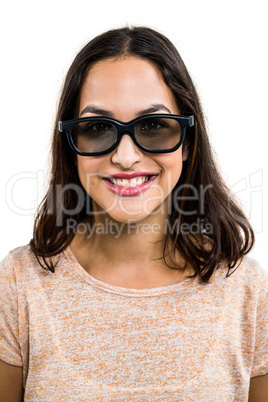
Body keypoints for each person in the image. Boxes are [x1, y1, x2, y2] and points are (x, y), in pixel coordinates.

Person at [0, 26, 267, 401]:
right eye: (97, 128)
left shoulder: (249, 290)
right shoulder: (16, 285)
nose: (126, 157)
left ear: (188, 142)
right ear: (71, 145)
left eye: (154, 126)